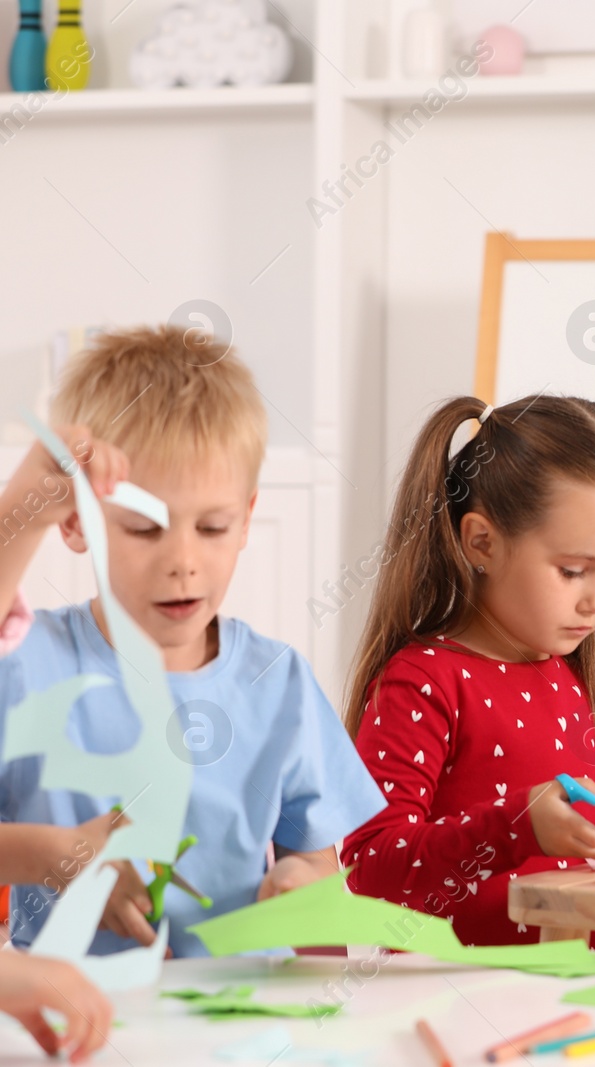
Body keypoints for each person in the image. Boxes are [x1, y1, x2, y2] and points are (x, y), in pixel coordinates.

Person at [0, 326, 385, 957]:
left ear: (246, 519)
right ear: (75, 523)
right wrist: (48, 855)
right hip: (78, 1030)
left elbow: (318, 870)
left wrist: (300, 886)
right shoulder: (29, 666)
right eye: (143, 529)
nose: (183, 561)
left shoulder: (277, 681)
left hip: (239, 1028)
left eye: (212, 526)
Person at [340, 395, 595, 948]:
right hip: (465, 1000)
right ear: (481, 541)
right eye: (574, 571)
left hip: (581, 990)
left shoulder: (567, 670)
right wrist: (517, 827)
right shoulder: (424, 682)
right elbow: (373, 868)